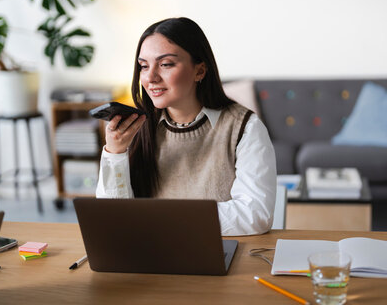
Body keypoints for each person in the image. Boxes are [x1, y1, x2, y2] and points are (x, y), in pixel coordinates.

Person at [95, 17, 276, 236]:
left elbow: (254, 215)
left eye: (165, 64)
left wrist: (159, 217)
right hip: (149, 254)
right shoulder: (137, 127)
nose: (150, 77)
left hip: (216, 255)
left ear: (200, 71)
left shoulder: (245, 128)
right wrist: (115, 153)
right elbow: (114, 217)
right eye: (143, 66)